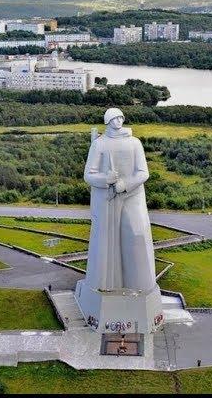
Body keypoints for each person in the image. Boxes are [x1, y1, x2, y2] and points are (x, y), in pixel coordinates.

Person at [83, 108, 157, 293]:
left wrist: (125, 184)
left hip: (132, 196)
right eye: (114, 118)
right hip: (107, 200)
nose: (118, 121)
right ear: (108, 121)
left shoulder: (135, 143)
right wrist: (105, 179)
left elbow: (143, 173)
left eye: (120, 118)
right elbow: (88, 175)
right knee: (105, 242)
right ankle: (104, 284)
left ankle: (140, 284)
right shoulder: (99, 144)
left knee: (137, 234)